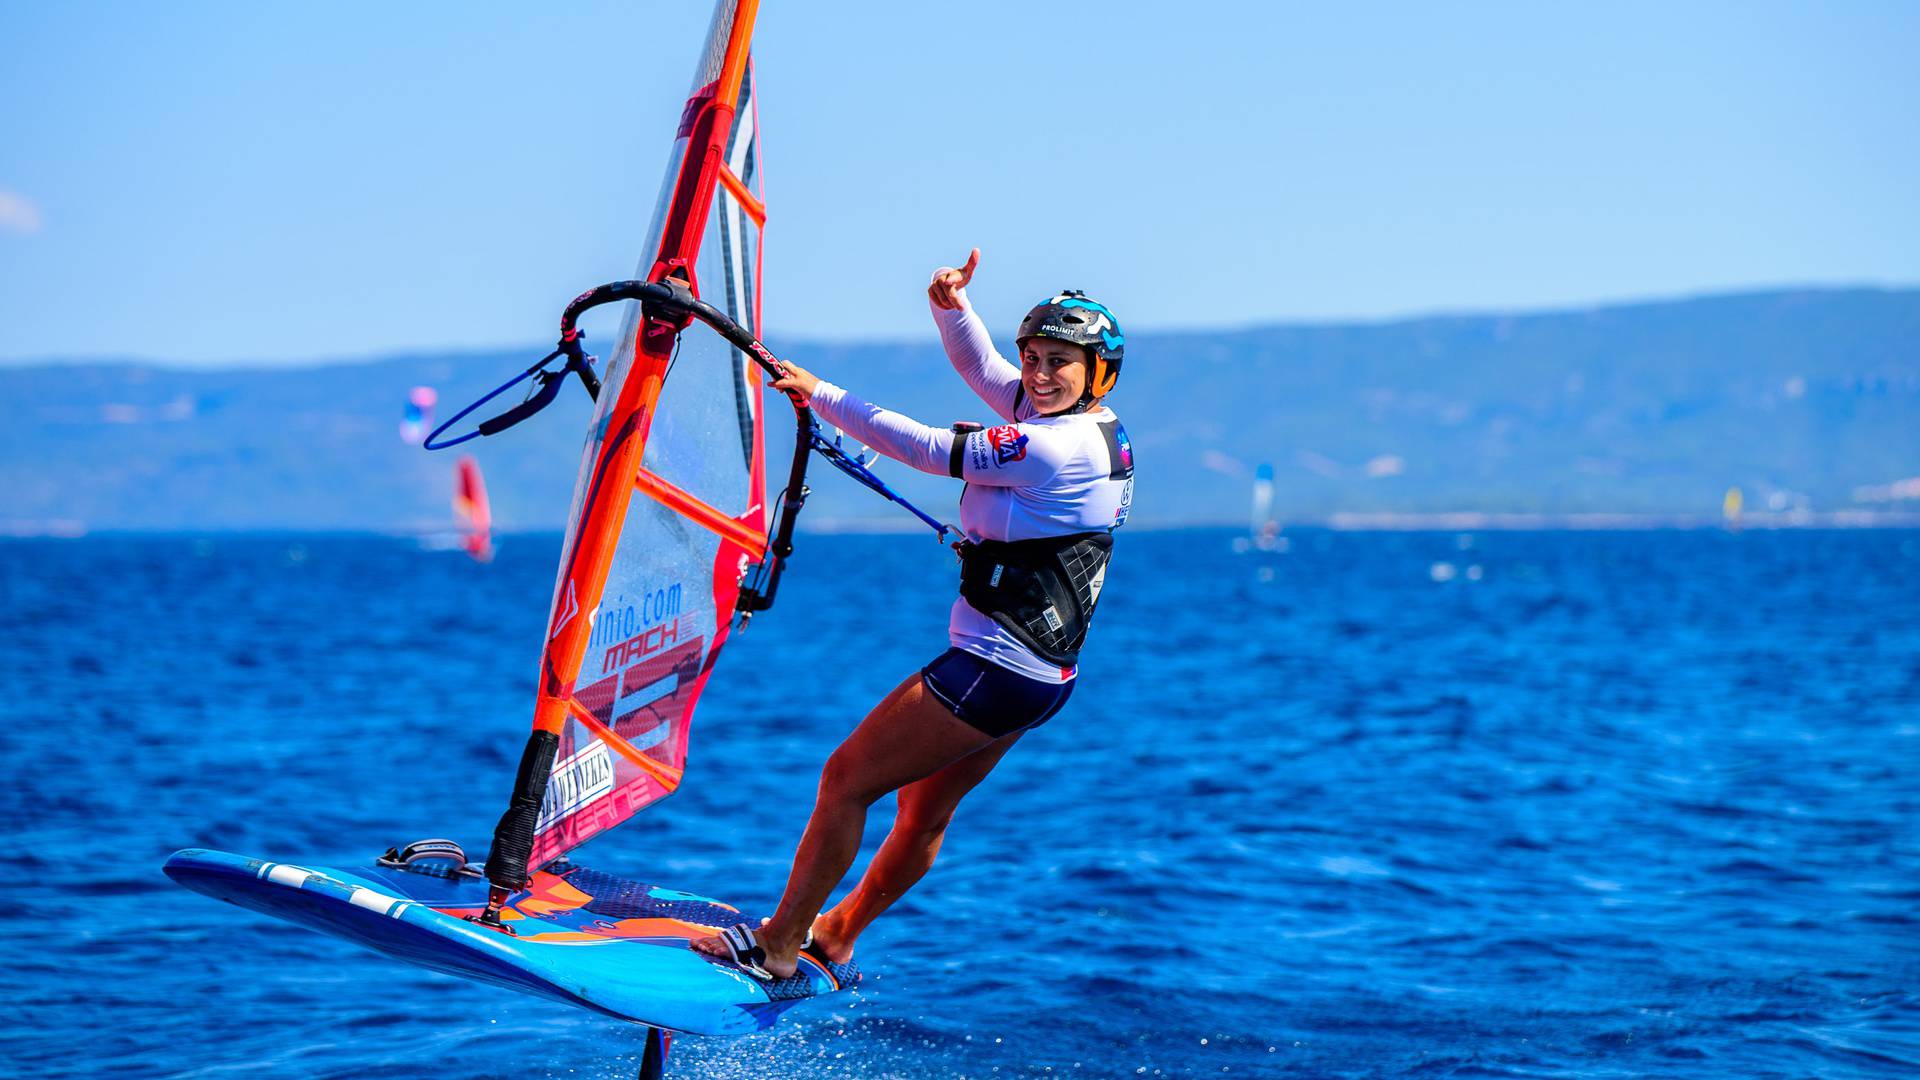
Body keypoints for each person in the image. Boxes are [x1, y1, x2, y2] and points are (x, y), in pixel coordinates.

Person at [693, 249, 1136, 980]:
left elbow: (928, 449)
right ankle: (836, 934)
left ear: (1100, 373)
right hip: (1040, 678)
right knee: (922, 813)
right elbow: (988, 373)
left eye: (1060, 361)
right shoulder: (1092, 426)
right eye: (1034, 356)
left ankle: (777, 943)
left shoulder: (1054, 447)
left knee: (846, 781)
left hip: (995, 668)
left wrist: (818, 392)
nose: (1038, 373)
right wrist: (951, 307)